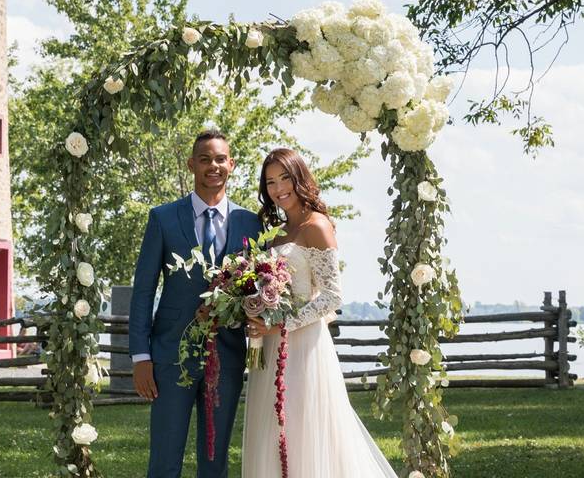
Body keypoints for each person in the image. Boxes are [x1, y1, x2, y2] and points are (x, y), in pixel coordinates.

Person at [242, 147, 399, 477]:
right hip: (270, 347)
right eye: (270, 182)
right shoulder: (278, 232)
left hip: (303, 348)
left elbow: (331, 298)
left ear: (299, 177)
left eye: (284, 177)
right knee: (271, 435)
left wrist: (279, 325)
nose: (278, 188)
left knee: (303, 434)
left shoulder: (317, 226)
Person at [129, 130, 264, 478]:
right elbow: (143, 291)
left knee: (215, 462)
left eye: (220, 159)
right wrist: (141, 357)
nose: (213, 166)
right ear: (192, 164)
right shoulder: (163, 218)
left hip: (228, 355)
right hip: (171, 355)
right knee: (164, 459)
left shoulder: (251, 223)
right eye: (205, 159)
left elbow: (257, 288)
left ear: (232, 165)